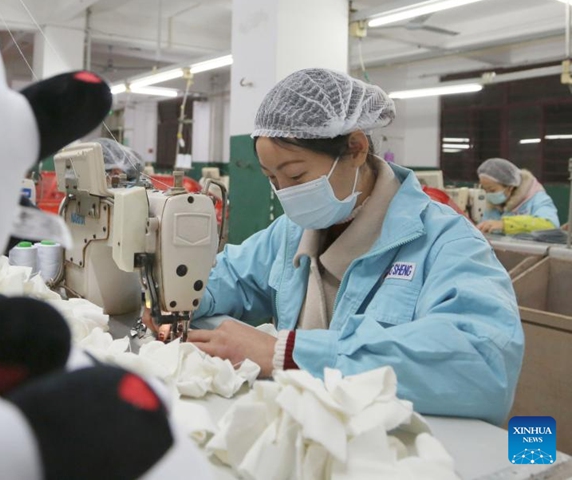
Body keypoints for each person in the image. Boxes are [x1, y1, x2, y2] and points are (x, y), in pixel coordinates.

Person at [159, 69, 523, 425]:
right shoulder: (290, 232)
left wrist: (287, 354)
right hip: (310, 429)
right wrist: (174, 298)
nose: (285, 193)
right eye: (273, 179)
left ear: (356, 149)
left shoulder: (446, 241)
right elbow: (231, 276)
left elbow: (484, 363)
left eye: (296, 175)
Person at [476, 157, 560, 234]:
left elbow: (550, 225)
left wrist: (505, 224)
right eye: (485, 189)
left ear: (510, 187)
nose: (488, 194)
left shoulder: (537, 199)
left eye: (492, 190)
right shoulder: (493, 205)